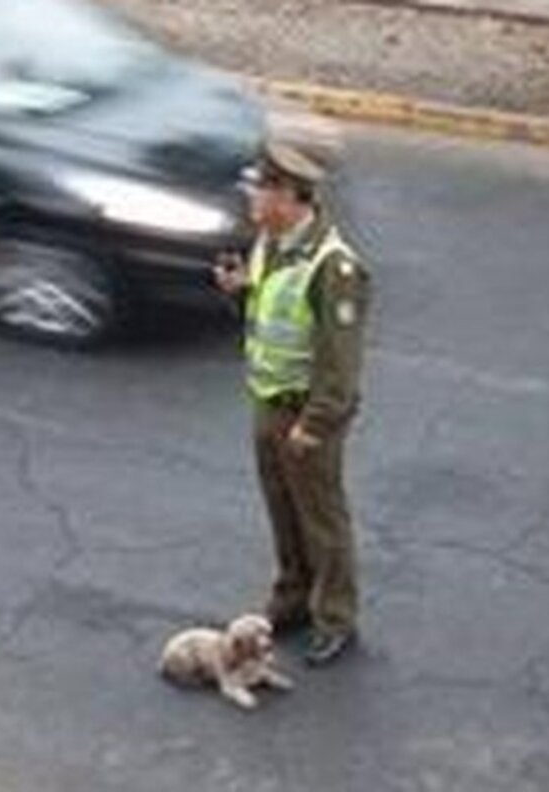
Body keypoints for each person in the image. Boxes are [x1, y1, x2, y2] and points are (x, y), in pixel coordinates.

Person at [214, 142, 371, 668]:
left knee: (322, 519)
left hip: (305, 413)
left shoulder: (334, 267)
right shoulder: (271, 242)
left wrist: (315, 424)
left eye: (260, 189)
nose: (251, 198)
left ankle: (335, 618)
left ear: (287, 196)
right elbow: (268, 309)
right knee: (282, 508)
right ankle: (292, 598)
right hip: (268, 401)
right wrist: (239, 290)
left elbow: (340, 363)